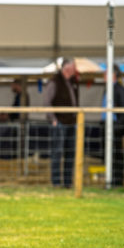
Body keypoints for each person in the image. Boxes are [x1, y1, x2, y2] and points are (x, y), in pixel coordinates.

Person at [43, 58, 79, 188]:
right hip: (59, 123)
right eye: (74, 67)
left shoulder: (72, 82)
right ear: (67, 68)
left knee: (71, 153)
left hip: (71, 123)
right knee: (57, 153)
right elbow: (47, 102)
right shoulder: (54, 82)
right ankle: (56, 182)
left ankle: (68, 182)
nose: (75, 70)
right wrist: (53, 119)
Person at [101, 64, 124, 187]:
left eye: (106, 73)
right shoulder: (107, 88)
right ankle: (110, 180)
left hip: (115, 127)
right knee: (107, 155)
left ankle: (117, 182)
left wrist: (117, 126)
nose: (103, 75)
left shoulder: (120, 89)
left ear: (113, 75)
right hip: (106, 125)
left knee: (116, 155)